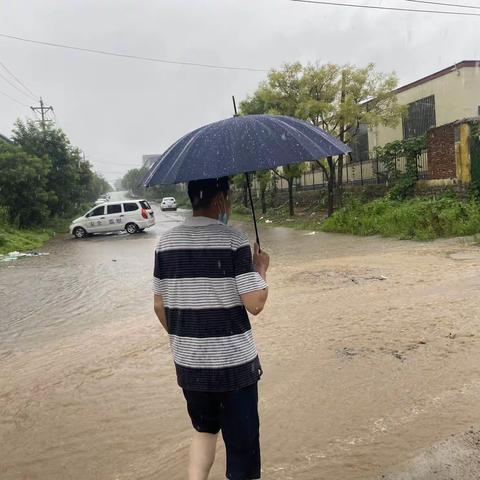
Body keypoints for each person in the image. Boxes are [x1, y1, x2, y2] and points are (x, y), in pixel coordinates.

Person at [153, 176, 270, 480]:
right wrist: (260, 269)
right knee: (242, 448)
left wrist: (189, 339)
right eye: (227, 198)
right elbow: (254, 303)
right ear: (220, 200)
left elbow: (158, 306)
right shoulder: (233, 241)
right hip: (233, 367)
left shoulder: (164, 243)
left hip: (190, 366)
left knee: (204, 431)